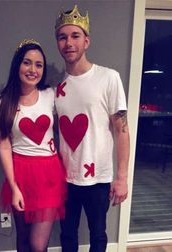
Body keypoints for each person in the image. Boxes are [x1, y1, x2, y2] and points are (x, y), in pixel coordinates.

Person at [54, 5, 130, 252]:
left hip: (98, 177)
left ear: (87, 41)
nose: (68, 43)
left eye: (75, 36)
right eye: (62, 37)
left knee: (98, 234)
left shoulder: (108, 78)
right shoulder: (57, 88)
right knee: (67, 234)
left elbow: (122, 130)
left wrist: (121, 177)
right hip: (66, 176)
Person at [0, 39, 66, 252]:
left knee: (37, 244)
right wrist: (14, 187)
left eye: (39, 64)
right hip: (20, 174)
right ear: (17, 65)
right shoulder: (1, 102)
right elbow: (4, 147)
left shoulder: (50, 95)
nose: (33, 69)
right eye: (27, 62)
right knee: (23, 240)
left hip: (49, 174)